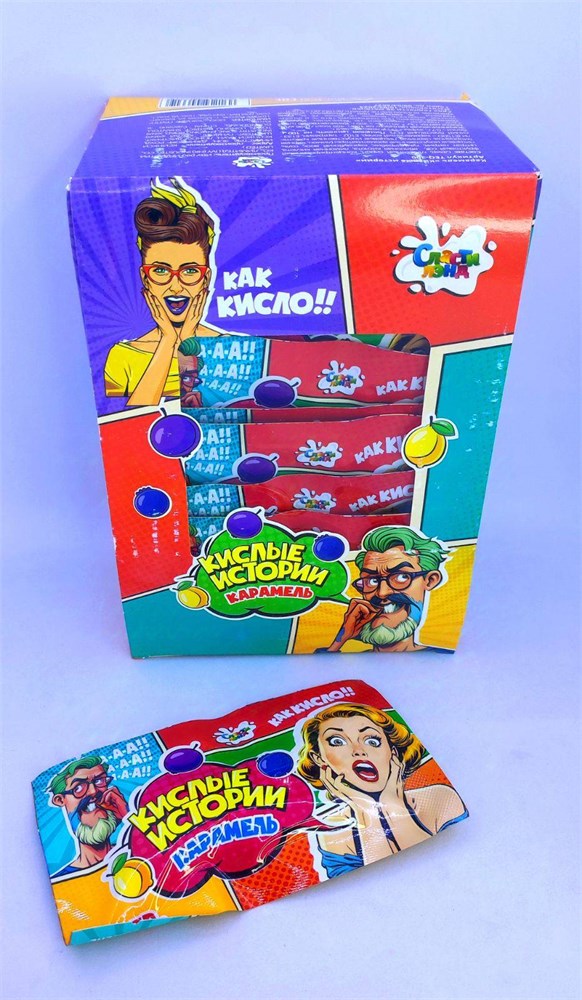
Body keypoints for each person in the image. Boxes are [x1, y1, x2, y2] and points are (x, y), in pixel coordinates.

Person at [297, 704, 467, 878]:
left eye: (372, 741)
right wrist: (362, 808)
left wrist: (392, 802)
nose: (359, 751)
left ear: (392, 752)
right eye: (337, 741)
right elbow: (378, 881)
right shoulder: (332, 830)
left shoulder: (439, 798)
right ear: (319, 759)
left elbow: (439, 863)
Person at [104, 177, 221, 407]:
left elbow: (217, 416)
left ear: (205, 278)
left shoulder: (231, 350)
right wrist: (168, 341)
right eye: (160, 270)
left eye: (190, 271)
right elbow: (130, 425)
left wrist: (188, 341)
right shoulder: (122, 357)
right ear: (144, 277)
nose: (175, 286)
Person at [328, 525, 448, 652]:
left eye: (401, 577)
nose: (382, 593)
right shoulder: (352, 656)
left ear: (430, 580)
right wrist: (339, 641)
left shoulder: (438, 657)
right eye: (372, 581)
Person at [49, 755, 128, 878]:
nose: (93, 791)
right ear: (60, 800)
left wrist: (129, 817)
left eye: (99, 781)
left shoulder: (134, 848)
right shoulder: (63, 880)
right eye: (78, 788)